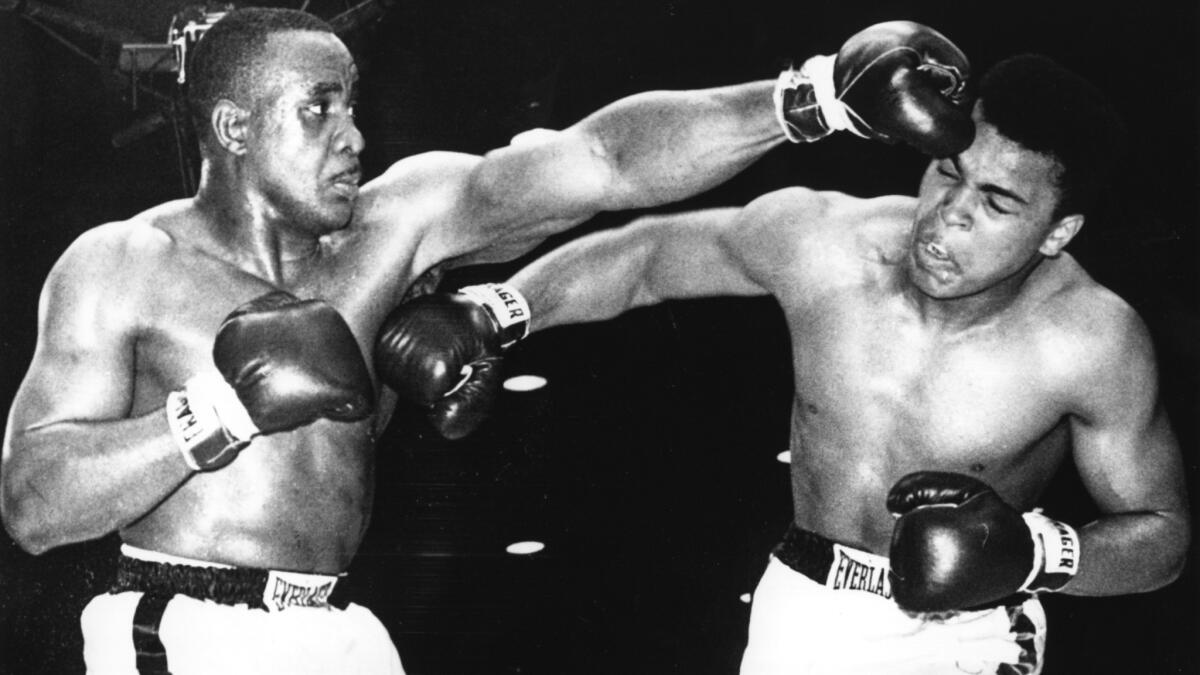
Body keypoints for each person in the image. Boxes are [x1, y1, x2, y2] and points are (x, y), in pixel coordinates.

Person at [0, 7, 974, 675]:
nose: (353, 136)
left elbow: (599, 161)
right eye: (318, 110)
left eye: (351, 103)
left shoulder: (397, 223)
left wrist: (812, 99)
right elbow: (36, 506)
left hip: (335, 629)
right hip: (188, 628)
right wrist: (215, 411)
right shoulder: (127, 264)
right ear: (233, 127)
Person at [380, 53, 1191, 674]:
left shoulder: (1090, 340)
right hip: (809, 605)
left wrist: (1037, 552)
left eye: (997, 203)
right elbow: (649, 255)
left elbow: (1162, 535)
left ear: (1058, 231)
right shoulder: (831, 246)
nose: (949, 215)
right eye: (949, 171)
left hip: (970, 628)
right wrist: (497, 311)